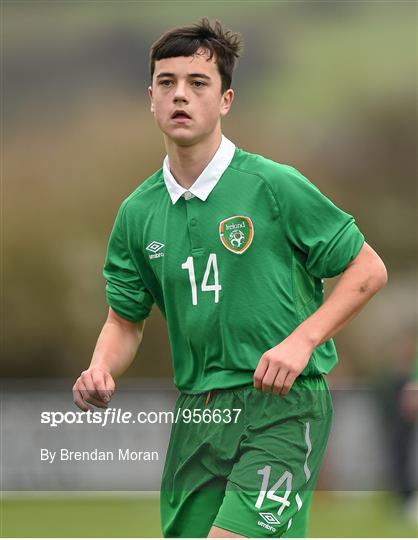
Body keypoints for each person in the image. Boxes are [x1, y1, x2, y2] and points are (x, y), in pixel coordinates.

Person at [72, 18, 388, 538]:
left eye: (198, 84)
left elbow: (368, 269)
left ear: (225, 100)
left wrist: (302, 342)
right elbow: (124, 322)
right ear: (150, 97)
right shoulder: (137, 212)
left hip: (283, 408)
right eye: (168, 83)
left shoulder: (272, 186)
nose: (181, 95)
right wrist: (100, 368)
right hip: (199, 418)